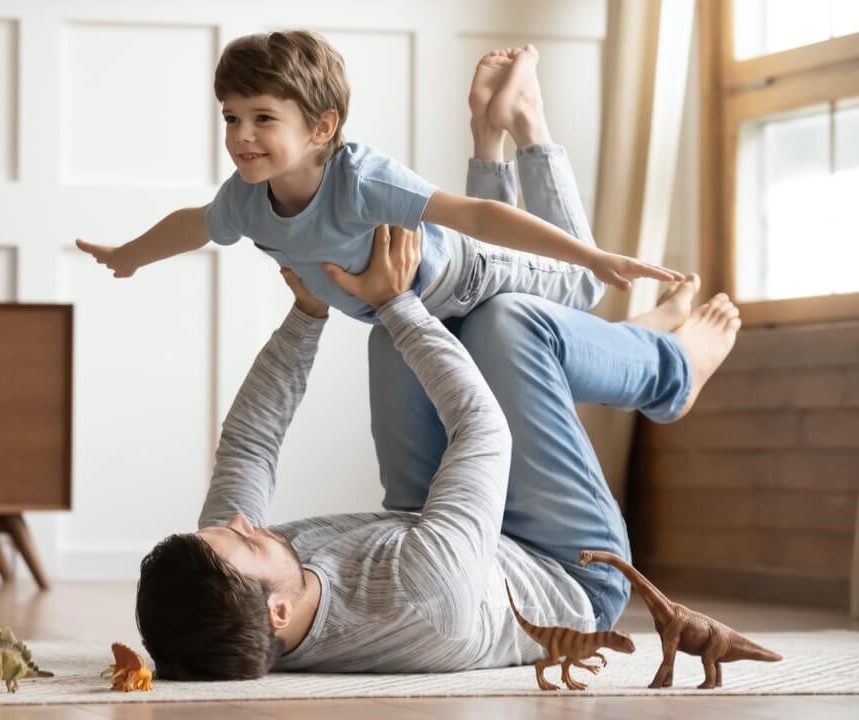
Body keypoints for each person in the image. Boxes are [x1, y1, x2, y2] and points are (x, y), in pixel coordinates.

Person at [130, 49, 741, 680]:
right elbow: (483, 431)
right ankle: (671, 369)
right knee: (505, 322)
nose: (241, 523)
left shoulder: (228, 579)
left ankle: (604, 310)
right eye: (249, 540)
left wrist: (309, 312)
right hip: (567, 566)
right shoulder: (425, 599)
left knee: (406, 332)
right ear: (278, 614)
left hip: (434, 521)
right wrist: (394, 303)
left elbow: (250, 444)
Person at [75, 33, 683, 326]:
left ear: (321, 127)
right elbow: (196, 224)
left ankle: (527, 124)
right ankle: (490, 128)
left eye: (263, 119)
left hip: (467, 276)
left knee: (584, 290)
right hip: (421, 308)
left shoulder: (360, 178)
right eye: (232, 117)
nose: (240, 135)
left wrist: (594, 255)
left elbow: (474, 216)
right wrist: (131, 255)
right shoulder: (245, 200)